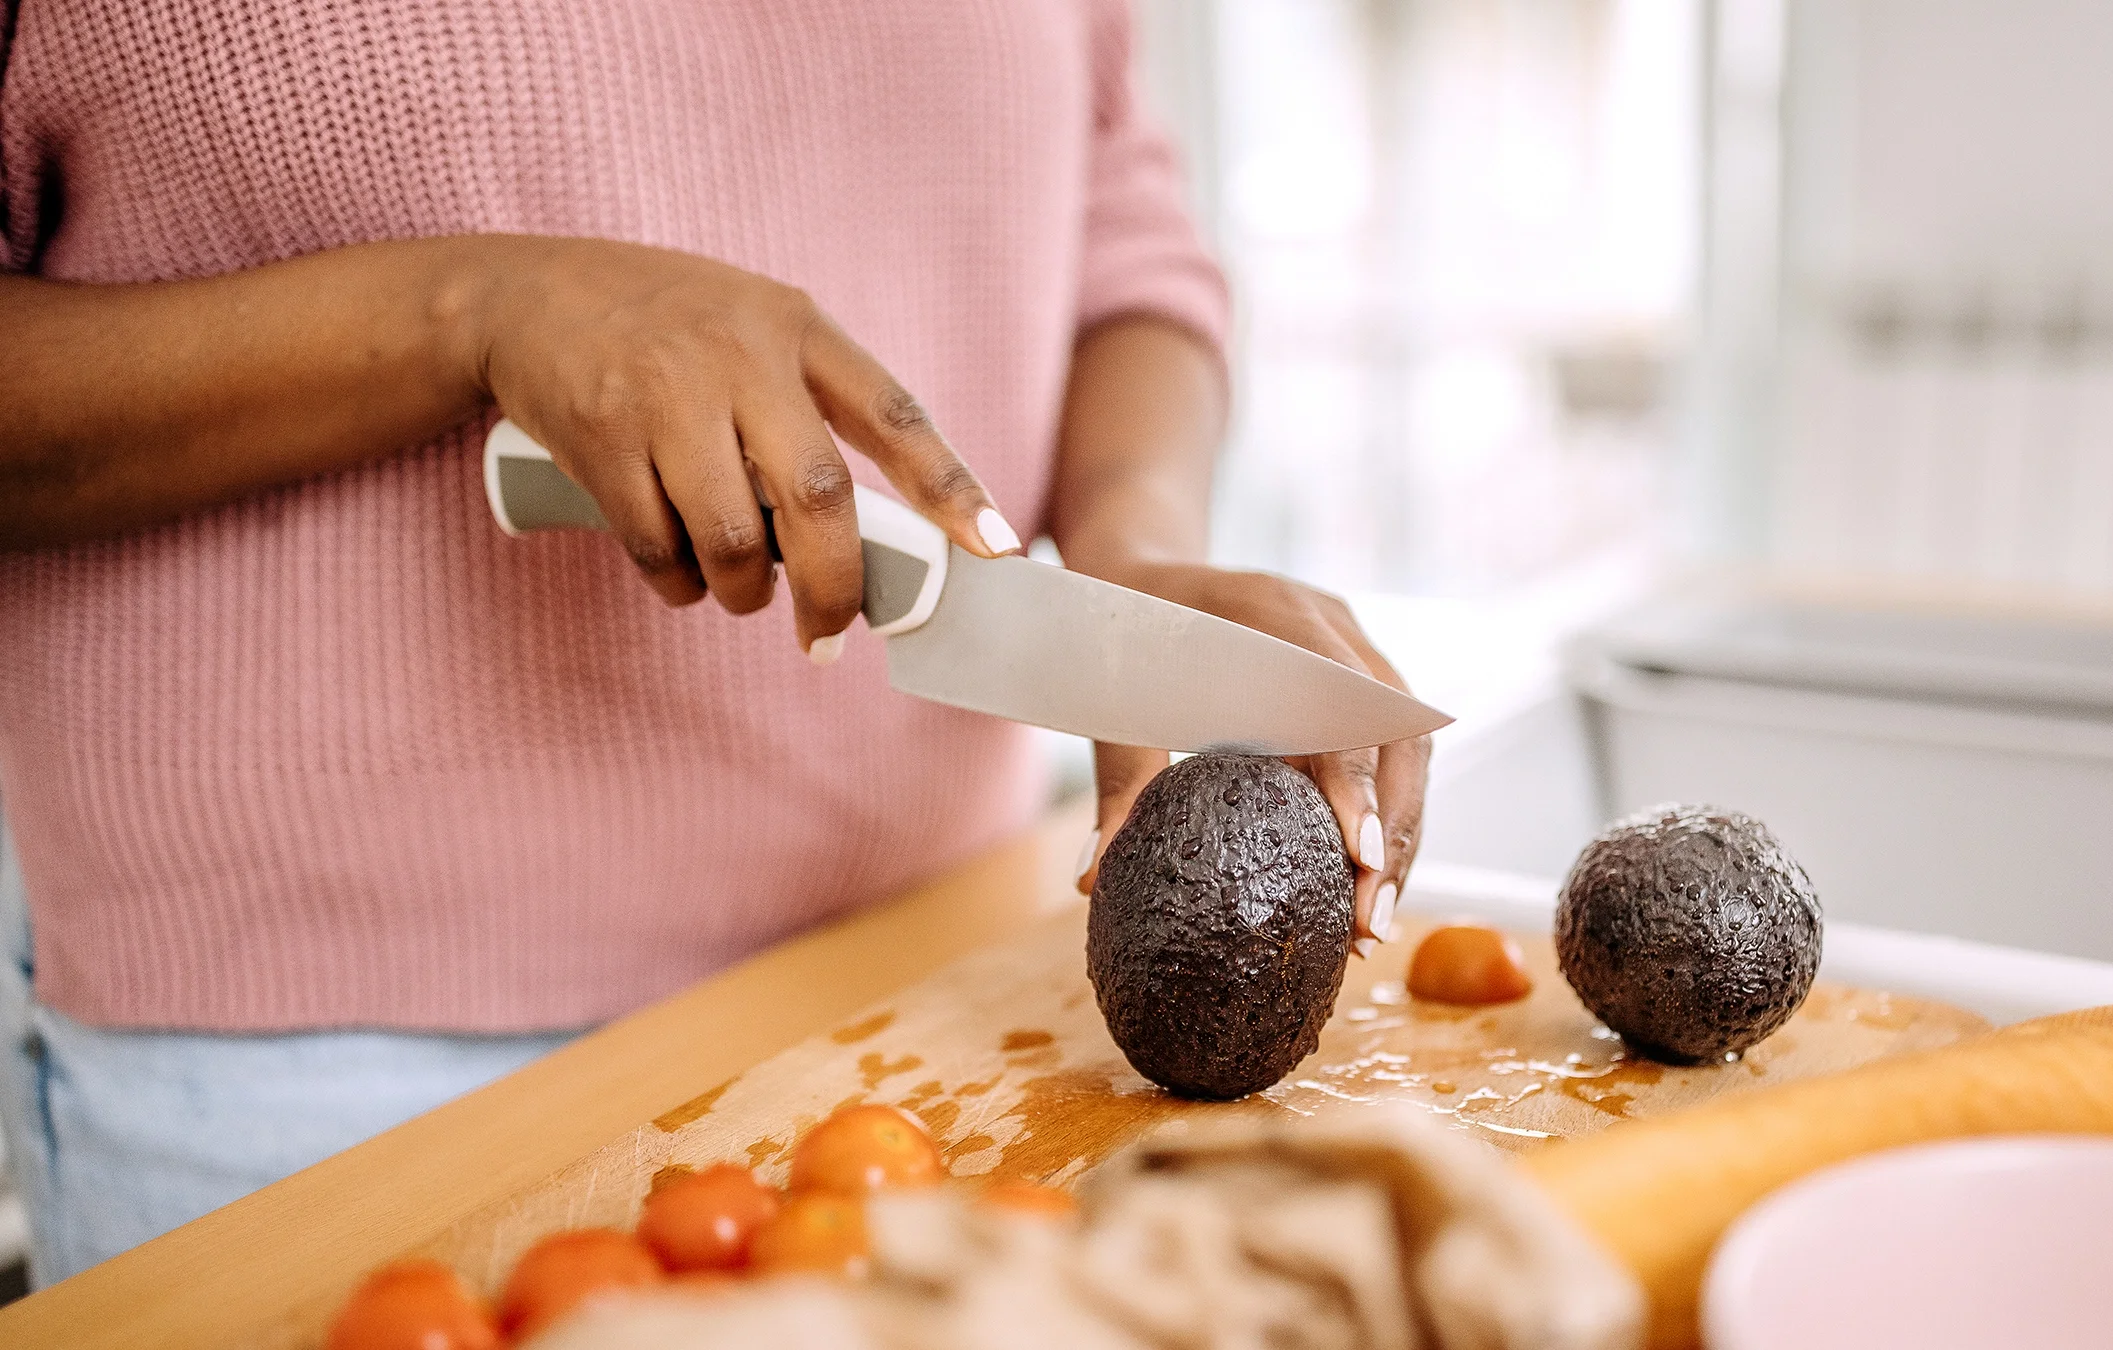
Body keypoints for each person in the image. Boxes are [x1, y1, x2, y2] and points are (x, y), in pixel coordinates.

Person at [0, 1, 1430, 1286]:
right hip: (319, 1091)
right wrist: (470, 311)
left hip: (942, 1004)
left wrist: (1129, 542)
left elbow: (1119, 226)